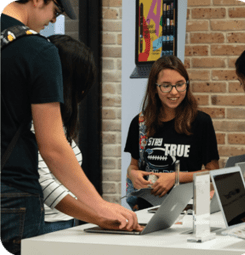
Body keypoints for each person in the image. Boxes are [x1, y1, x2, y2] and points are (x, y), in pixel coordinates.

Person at [1, 1, 141, 254]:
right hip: (12, 194)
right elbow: (53, 147)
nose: (54, 21)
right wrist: (99, 207)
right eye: (55, 11)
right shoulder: (37, 49)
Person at [125, 55, 220, 210]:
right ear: (155, 87)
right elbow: (133, 166)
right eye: (166, 85)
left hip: (187, 209)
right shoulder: (141, 122)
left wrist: (176, 177)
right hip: (147, 209)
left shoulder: (201, 122)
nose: (174, 92)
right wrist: (133, 174)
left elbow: (213, 172)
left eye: (180, 84)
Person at [32, 34, 94, 234]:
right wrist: (99, 213)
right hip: (44, 224)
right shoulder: (35, 121)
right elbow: (45, 186)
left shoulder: (58, 120)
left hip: (64, 222)